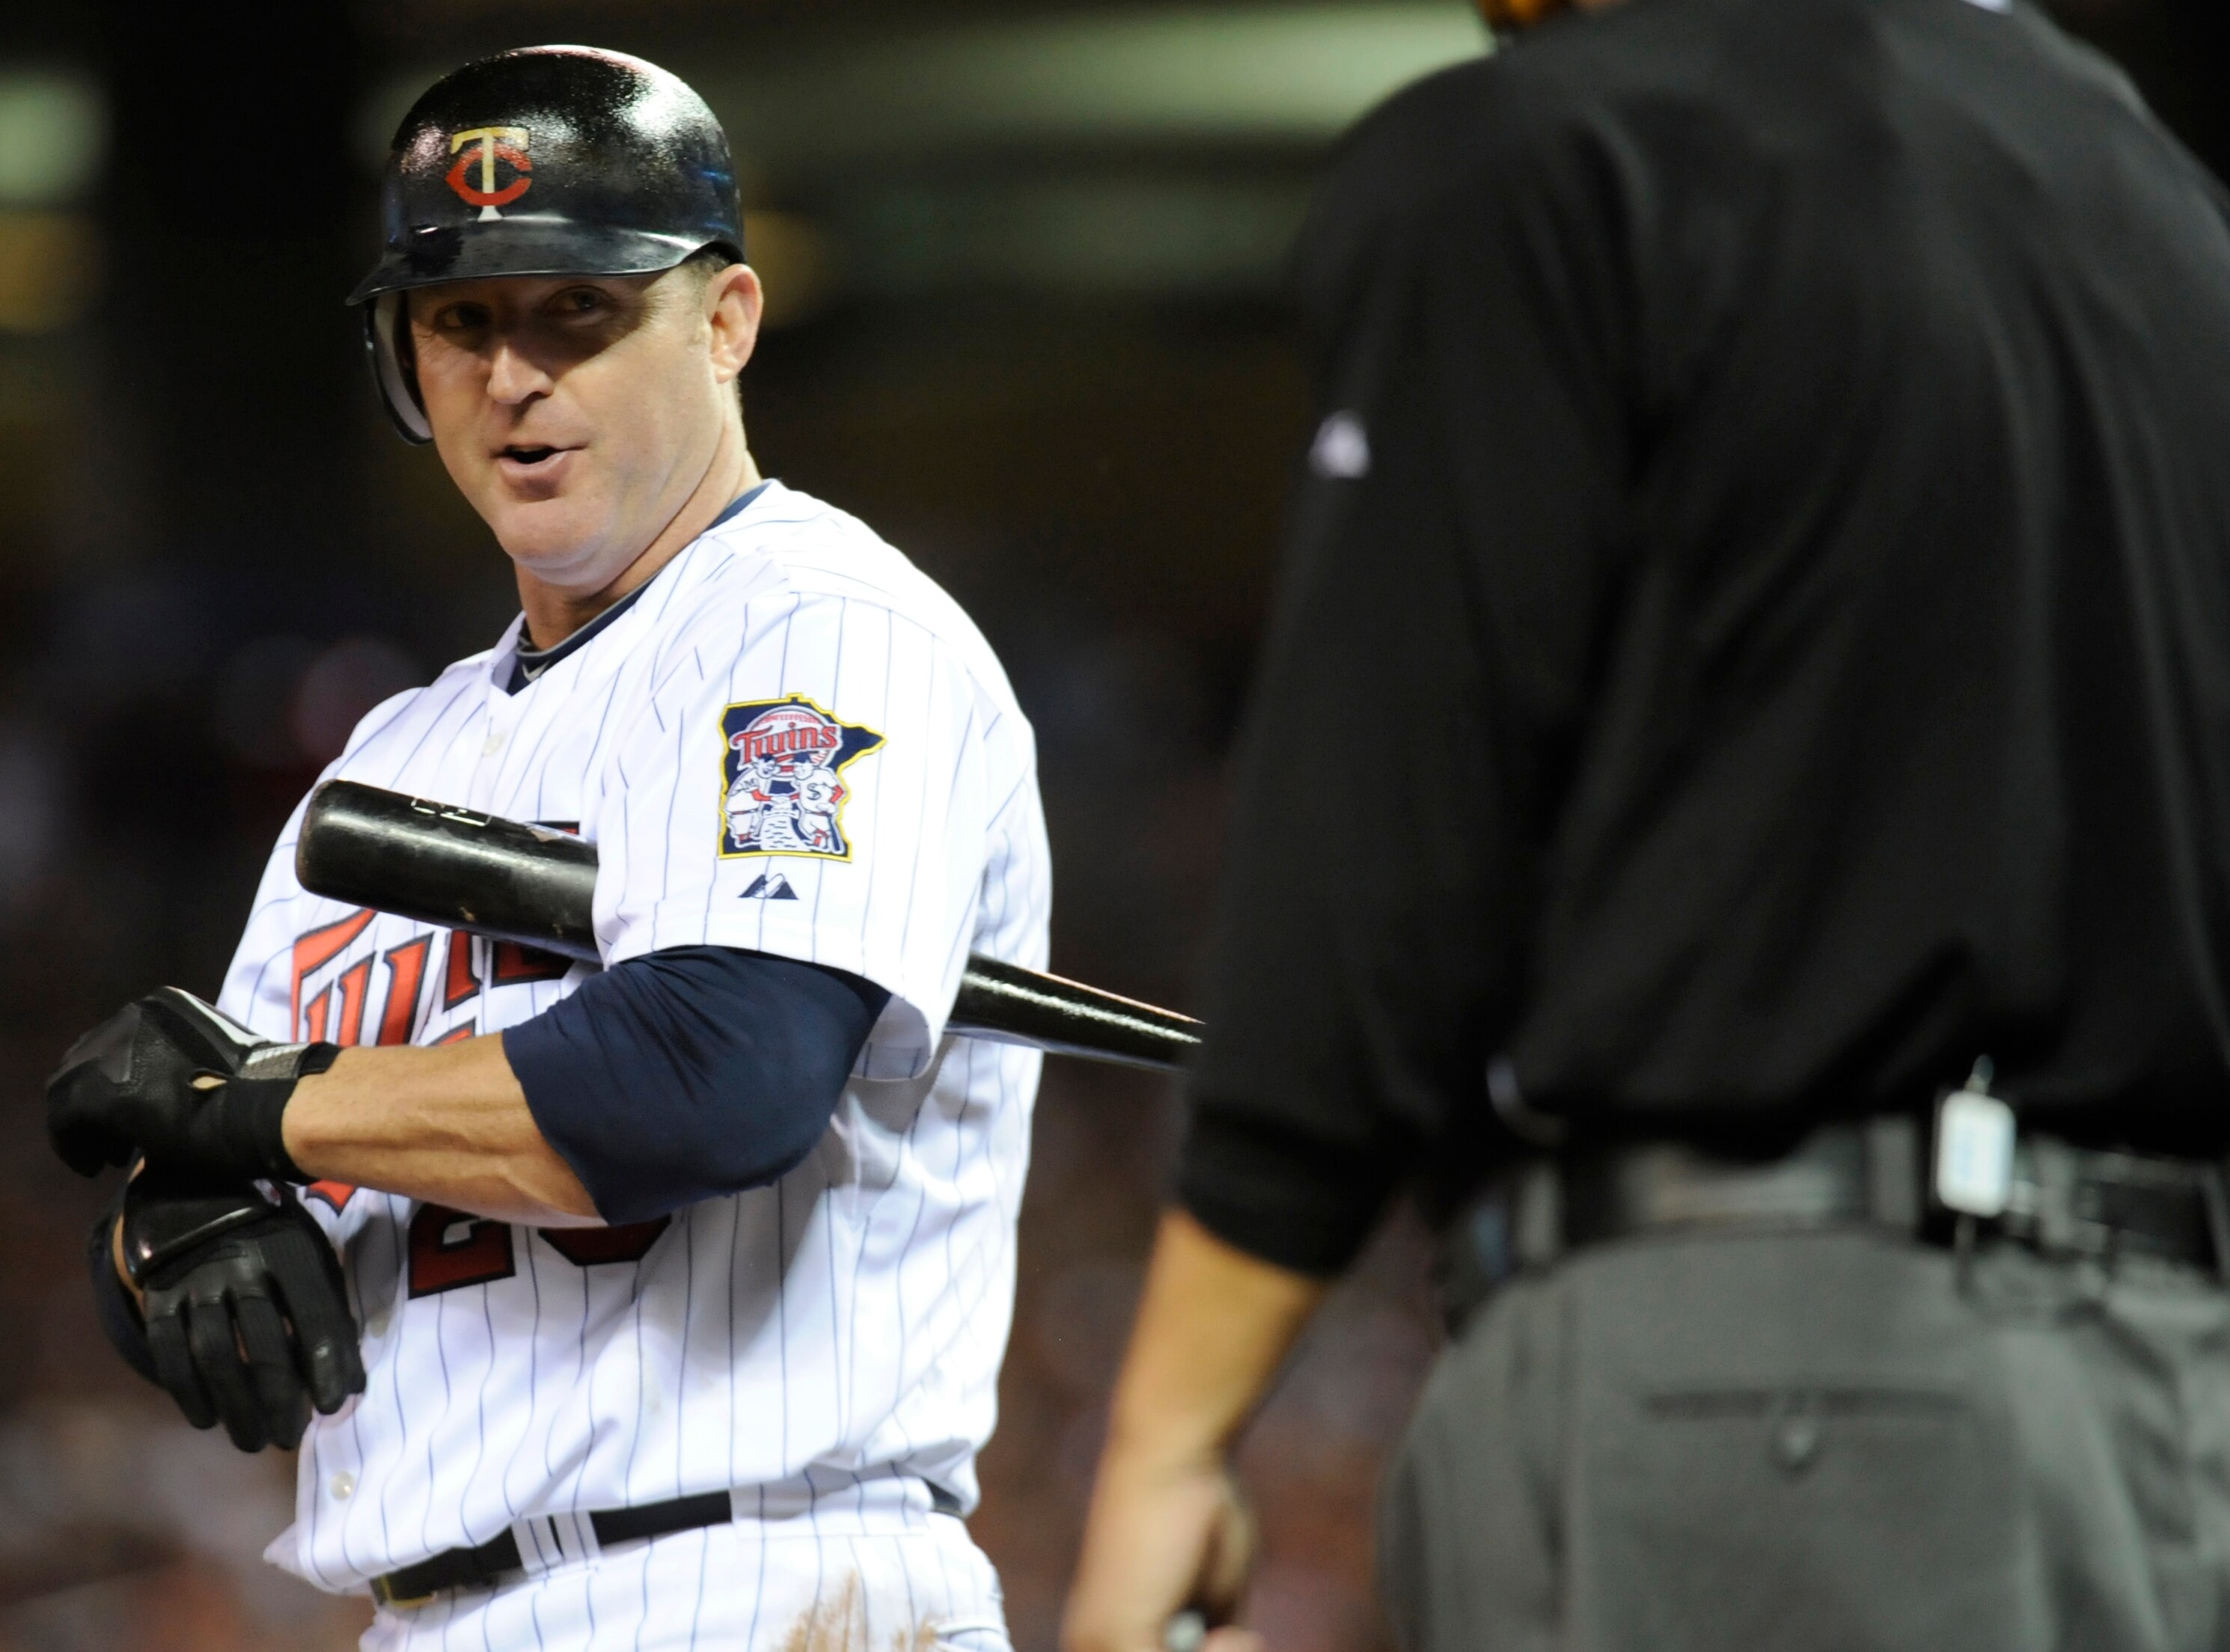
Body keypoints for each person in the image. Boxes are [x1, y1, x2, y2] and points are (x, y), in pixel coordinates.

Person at [1062, 0, 2230, 1647]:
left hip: (1758, 1387)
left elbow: (1372, 856)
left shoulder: (1541, 159)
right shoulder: (2157, 191)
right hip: (2171, 1390)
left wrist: (1170, 1442)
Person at [46, 45, 1047, 1652]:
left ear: (725, 321)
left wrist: (252, 1111)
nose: (513, 374)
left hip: (758, 1580)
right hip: (436, 1611)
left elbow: (720, 1076)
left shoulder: (819, 626)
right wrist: (174, 1223)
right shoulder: (390, 752)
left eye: (578, 310)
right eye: (461, 321)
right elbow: (224, 1174)